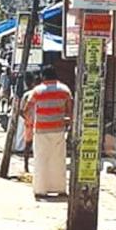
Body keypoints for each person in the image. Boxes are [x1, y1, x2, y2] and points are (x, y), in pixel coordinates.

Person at [23, 65, 73, 199]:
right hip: (59, 130)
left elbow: (26, 109)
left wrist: (30, 122)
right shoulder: (65, 90)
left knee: (41, 159)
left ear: (43, 76)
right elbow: (70, 111)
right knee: (58, 159)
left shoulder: (37, 91)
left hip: (41, 130)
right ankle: (60, 188)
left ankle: (41, 190)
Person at [20, 72, 39, 173]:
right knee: (30, 146)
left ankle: (27, 166)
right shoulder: (28, 95)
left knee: (29, 146)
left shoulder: (29, 94)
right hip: (34, 124)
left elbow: (21, 111)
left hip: (32, 123)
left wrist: (27, 118)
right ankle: (27, 166)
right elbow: (21, 111)